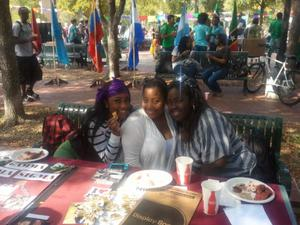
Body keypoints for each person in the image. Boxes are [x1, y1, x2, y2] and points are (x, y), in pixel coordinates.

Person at [167, 75, 257, 178]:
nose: (173, 106)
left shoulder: (208, 121)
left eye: (179, 100)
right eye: (169, 102)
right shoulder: (178, 121)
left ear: (192, 101)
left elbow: (218, 162)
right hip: (207, 178)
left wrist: (195, 179)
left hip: (240, 176)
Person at [54, 79, 131, 162]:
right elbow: (107, 161)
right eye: (117, 101)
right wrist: (115, 134)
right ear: (106, 103)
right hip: (69, 155)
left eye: (126, 100)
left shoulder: (128, 117)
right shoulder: (95, 124)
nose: (124, 106)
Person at [121, 78, 176, 170]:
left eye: (156, 101)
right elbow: (131, 166)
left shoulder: (168, 114)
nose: (150, 106)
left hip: (169, 181)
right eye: (145, 100)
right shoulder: (134, 124)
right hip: (144, 182)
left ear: (165, 101)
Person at [12, 6, 42, 102]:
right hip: (21, 55)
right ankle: (24, 94)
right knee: (23, 77)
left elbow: (30, 38)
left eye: (27, 13)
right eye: (24, 13)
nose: (26, 15)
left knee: (37, 73)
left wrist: (35, 46)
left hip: (30, 54)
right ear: (20, 14)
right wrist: (28, 39)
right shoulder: (16, 25)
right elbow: (14, 40)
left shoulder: (29, 25)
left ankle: (30, 90)